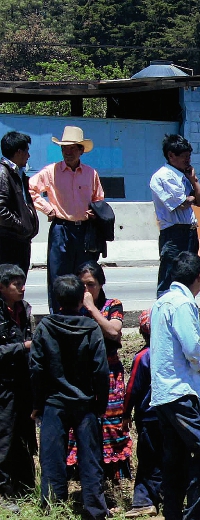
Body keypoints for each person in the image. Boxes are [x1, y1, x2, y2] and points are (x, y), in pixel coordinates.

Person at [150, 252, 200, 520]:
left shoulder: (161, 302)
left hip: (163, 392)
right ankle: (197, 518)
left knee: (176, 455)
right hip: (180, 391)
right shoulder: (183, 303)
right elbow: (192, 347)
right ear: (199, 279)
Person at [29, 274, 109, 520]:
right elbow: (101, 370)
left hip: (54, 402)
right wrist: (100, 404)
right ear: (80, 300)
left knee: (52, 458)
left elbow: (37, 368)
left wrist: (37, 403)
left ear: (56, 300)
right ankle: (95, 509)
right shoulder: (91, 328)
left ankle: (53, 509)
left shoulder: (45, 328)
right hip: (85, 403)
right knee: (91, 458)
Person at [29, 126, 104, 313]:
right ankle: (58, 318)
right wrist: (48, 209)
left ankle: (85, 316)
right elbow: (30, 189)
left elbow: (99, 198)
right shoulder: (50, 171)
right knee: (58, 276)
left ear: (81, 150)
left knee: (85, 275)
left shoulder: (90, 173)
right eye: (64, 148)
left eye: (72, 148)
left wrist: (94, 212)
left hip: (85, 231)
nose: (67, 152)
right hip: (61, 229)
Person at [67, 263, 130, 485]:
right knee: (84, 424)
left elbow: (114, 331)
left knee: (110, 423)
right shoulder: (73, 307)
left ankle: (113, 480)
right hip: (83, 377)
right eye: (82, 285)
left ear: (101, 284)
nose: (86, 290)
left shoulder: (112, 305)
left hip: (109, 374)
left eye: (91, 285)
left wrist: (92, 309)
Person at [150, 134, 200, 298]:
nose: (187, 160)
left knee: (188, 276)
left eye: (189, 156)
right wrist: (190, 199)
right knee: (169, 275)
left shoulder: (185, 176)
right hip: (174, 233)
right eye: (184, 156)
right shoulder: (164, 176)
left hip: (190, 231)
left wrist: (193, 180)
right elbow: (181, 203)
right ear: (171, 155)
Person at [0, 265, 35, 508]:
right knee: (4, 437)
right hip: (3, 385)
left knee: (25, 436)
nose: (22, 288)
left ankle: (25, 487)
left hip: (24, 383)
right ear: (1, 287)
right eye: (15, 284)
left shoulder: (24, 310)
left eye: (23, 283)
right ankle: (3, 493)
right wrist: (22, 347)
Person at [122, 310, 161, 518]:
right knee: (167, 456)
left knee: (147, 458)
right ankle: (167, 497)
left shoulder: (142, 357)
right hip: (170, 415)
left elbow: (132, 389)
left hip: (148, 416)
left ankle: (144, 500)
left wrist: (125, 412)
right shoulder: (171, 353)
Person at [0, 132, 38, 274]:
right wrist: (21, 226)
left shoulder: (18, 173)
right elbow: (1, 210)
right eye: (27, 151)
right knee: (9, 287)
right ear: (19, 152)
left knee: (17, 286)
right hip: (9, 243)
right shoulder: (3, 173)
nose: (28, 156)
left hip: (20, 242)